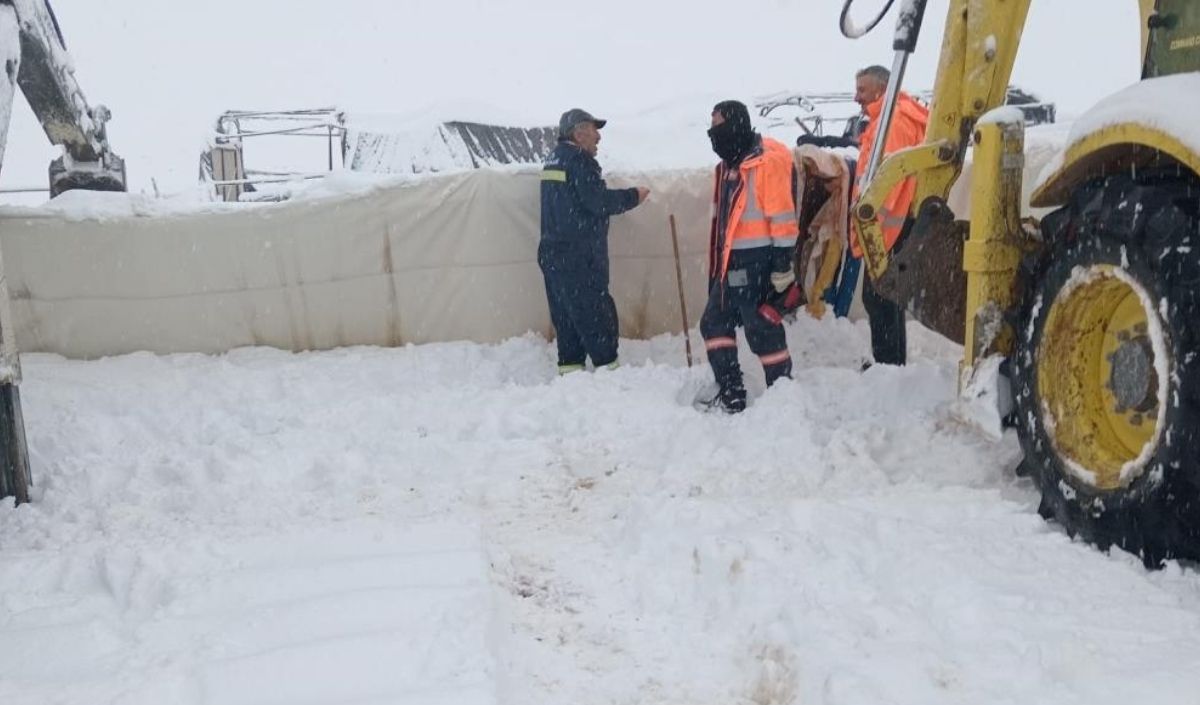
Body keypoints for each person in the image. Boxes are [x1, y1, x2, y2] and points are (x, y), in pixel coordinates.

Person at [696, 100, 799, 414]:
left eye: (718, 125)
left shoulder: (766, 163)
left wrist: (782, 266)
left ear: (736, 124)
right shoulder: (731, 163)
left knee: (761, 328)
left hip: (757, 261)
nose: (713, 133)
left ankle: (783, 394)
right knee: (714, 322)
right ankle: (730, 389)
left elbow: (783, 218)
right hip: (731, 262)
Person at [539, 108, 649, 374]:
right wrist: (633, 196)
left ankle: (570, 370)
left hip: (552, 253)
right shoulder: (579, 160)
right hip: (579, 255)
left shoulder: (553, 160)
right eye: (593, 130)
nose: (598, 137)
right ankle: (608, 371)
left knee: (565, 317)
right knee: (596, 315)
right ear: (578, 133)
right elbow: (597, 201)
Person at [851, 66, 928, 367]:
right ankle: (891, 364)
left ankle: (888, 366)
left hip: (888, 227)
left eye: (862, 90)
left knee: (879, 298)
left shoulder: (892, 123)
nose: (857, 97)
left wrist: (870, 226)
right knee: (886, 298)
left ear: (882, 90)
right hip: (893, 224)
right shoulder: (886, 119)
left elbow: (889, 183)